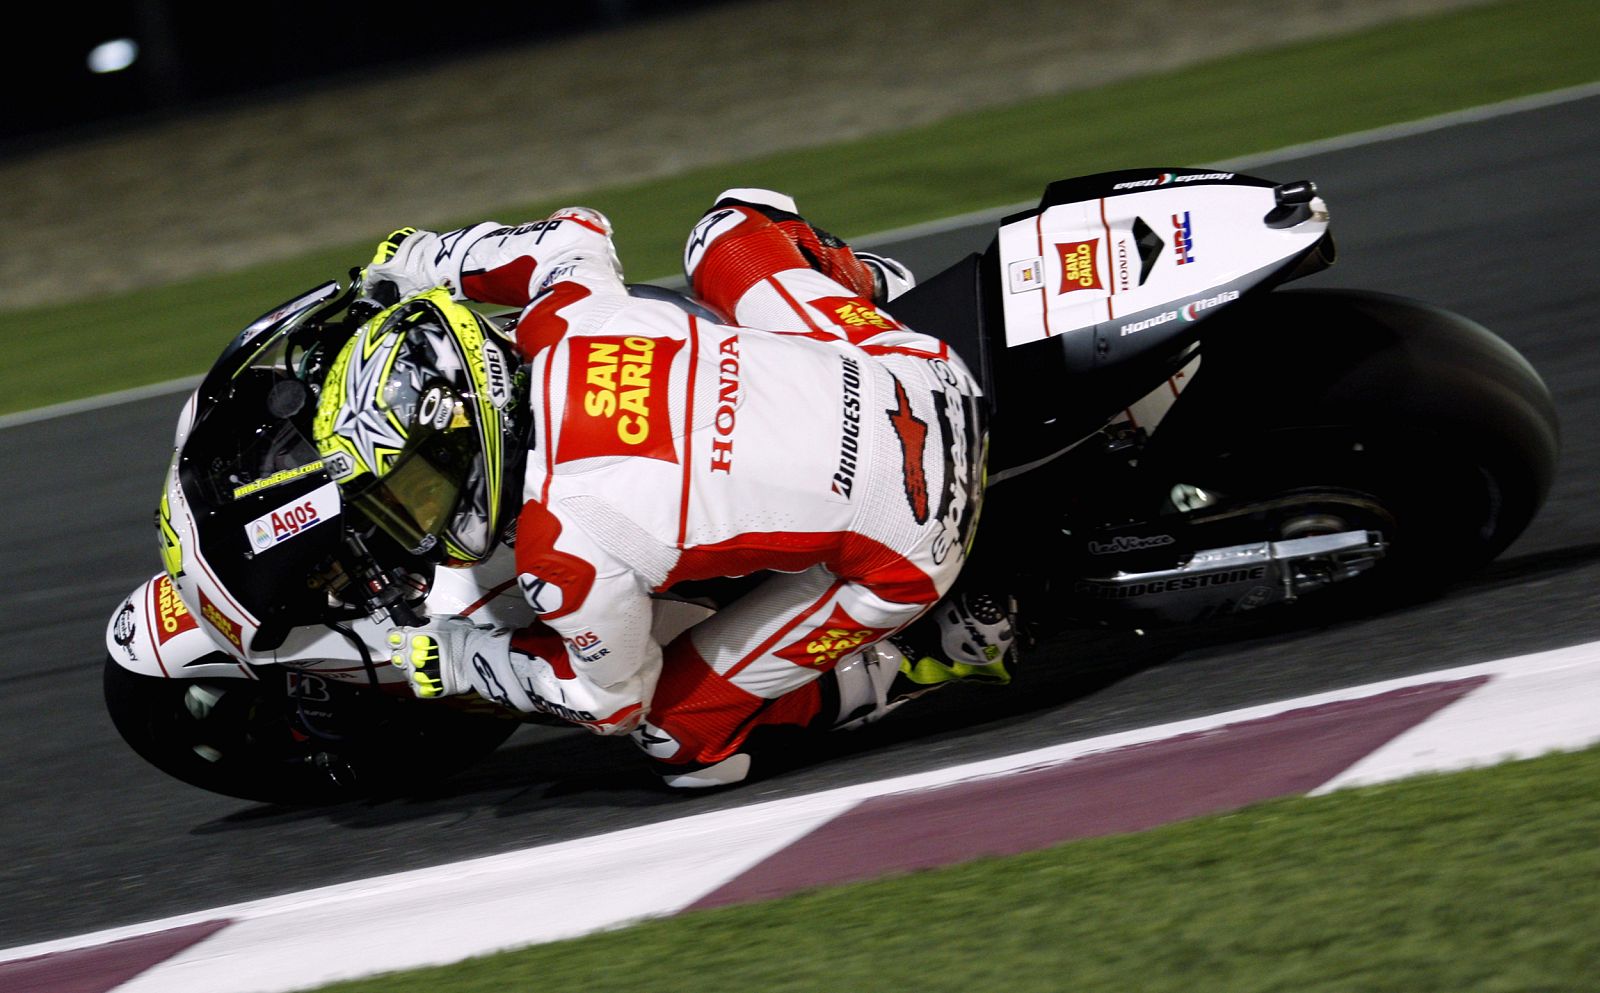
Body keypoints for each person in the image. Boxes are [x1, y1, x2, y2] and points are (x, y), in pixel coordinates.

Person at [312, 190, 1015, 788]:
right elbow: (575, 232)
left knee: (676, 739)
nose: (414, 513)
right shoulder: (569, 319)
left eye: (415, 485)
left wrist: (463, 658)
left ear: (466, 440)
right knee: (730, 225)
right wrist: (414, 261)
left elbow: (608, 701)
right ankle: (863, 286)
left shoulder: (559, 546)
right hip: (920, 366)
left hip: (915, 543)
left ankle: (934, 657)